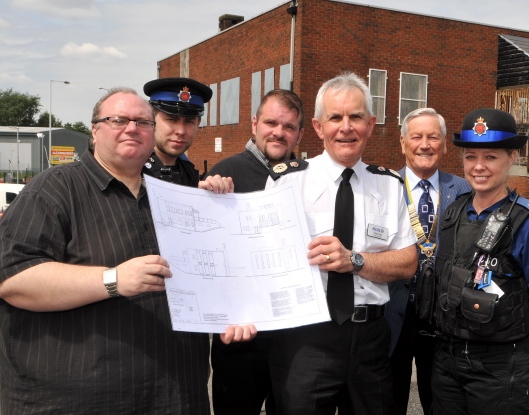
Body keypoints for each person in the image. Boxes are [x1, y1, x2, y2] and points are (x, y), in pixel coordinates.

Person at [0, 87, 255, 414]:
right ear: (94, 130)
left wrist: (230, 314)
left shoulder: (174, 199)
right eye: (118, 120)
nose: (132, 128)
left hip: (174, 395)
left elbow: (208, 277)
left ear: (152, 133)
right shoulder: (54, 189)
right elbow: (12, 278)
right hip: (77, 401)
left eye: (142, 122)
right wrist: (113, 280)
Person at [265, 72, 418, 415]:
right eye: (336, 117)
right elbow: (262, 257)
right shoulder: (287, 180)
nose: (346, 127)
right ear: (319, 127)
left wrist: (356, 261)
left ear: (371, 124)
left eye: (356, 117)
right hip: (306, 337)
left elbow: (408, 262)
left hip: (370, 339)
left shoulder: (390, 184)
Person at [427, 108, 529, 415]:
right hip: (447, 362)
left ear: (511, 158)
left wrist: (515, 360)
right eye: (471, 157)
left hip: (500, 367)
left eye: (490, 157)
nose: (478, 167)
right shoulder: (452, 214)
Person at [207, 89, 304, 415]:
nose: (279, 132)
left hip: (294, 338)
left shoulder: (310, 180)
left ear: (300, 134)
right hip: (240, 339)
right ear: (254, 124)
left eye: (289, 126)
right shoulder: (222, 175)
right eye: (271, 122)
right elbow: (205, 255)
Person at [385, 108, 471, 414]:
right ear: (403, 142)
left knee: (440, 400)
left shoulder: (462, 190)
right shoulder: (382, 187)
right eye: (417, 137)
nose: (425, 144)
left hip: (441, 314)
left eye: (433, 137)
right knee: (389, 398)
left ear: (445, 144)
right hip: (393, 308)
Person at [142, 77, 213, 185]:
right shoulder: (133, 171)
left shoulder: (189, 172)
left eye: (189, 121)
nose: (181, 131)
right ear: (151, 119)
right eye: (172, 119)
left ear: (198, 124)